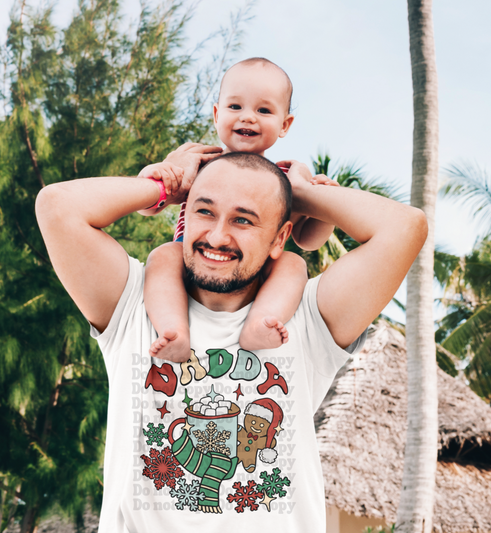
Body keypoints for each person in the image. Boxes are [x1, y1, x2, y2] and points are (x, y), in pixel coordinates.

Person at [35, 147, 427, 533]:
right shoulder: (134, 302)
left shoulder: (307, 317)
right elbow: (57, 206)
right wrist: (165, 185)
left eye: (243, 220)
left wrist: (298, 192)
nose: (217, 236)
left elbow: (405, 227)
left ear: (279, 238)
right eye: (204, 211)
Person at [140, 58, 339, 364]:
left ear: (284, 124)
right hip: (190, 258)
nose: (248, 117)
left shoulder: (284, 180)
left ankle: (262, 321)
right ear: (216, 114)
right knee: (163, 256)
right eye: (235, 107)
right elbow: (148, 207)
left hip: (251, 270)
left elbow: (307, 240)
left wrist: (324, 205)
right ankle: (173, 329)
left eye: (264, 110)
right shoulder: (198, 163)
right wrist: (158, 174)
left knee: (293, 264)